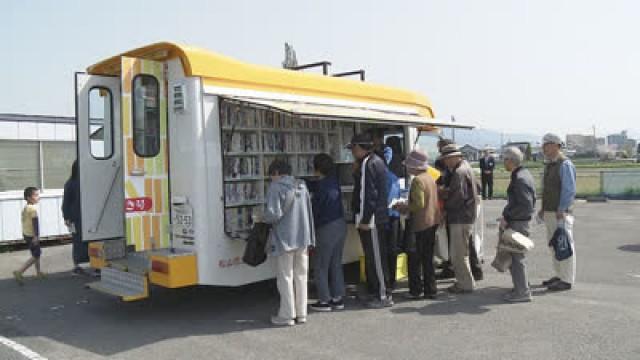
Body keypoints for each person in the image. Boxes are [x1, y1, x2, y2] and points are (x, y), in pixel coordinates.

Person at [264, 159, 316, 326]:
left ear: (277, 173)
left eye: (271, 175)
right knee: (301, 276)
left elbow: (273, 215)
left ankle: (287, 315)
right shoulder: (302, 186)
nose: (271, 179)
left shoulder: (276, 187)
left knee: (285, 277)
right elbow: (309, 212)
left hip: (284, 239)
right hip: (303, 237)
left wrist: (260, 218)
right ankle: (302, 313)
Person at [349, 133, 393, 308]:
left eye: (353, 148)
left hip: (373, 219)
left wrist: (365, 219)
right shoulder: (374, 162)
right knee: (373, 257)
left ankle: (383, 295)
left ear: (361, 148)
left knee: (376, 258)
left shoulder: (370, 163)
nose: (352, 152)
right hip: (374, 217)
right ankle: (376, 291)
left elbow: (369, 194)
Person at [394, 150, 441, 299]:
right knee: (428, 258)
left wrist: (403, 207)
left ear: (414, 166)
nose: (407, 168)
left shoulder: (417, 180)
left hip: (419, 223)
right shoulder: (429, 177)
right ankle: (430, 289)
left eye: (408, 165)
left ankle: (415, 290)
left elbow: (419, 204)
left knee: (414, 258)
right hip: (432, 221)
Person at [306, 154, 347, 312]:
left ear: (316, 168)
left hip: (326, 228)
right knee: (336, 263)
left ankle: (324, 300)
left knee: (321, 265)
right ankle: (337, 298)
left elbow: (316, 210)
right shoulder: (332, 182)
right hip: (340, 224)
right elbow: (316, 186)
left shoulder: (322, 187)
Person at [538, 133, 577, 291]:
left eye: (546, 144)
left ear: (556, 145)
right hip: (550, 212)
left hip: (560, 213)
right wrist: (543, 208)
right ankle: (559, 275)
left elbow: (569, 190)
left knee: (564, 244)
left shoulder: (564, 164)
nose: (543, 148)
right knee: (554, 245)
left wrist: (562, 208)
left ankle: (567, 279)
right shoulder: (550, 164)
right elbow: (548, 190)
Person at [439, 144, 478, 294]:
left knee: (458, 254)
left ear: (456, 157)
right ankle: (464, 281)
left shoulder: (459, 172)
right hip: (465, 215)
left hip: (460, 217)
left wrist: (445, 197)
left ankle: (465, 284)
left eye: (448, 158)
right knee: (462, 252)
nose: (446, 162)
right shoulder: (465, 167)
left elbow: (458, 197)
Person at [499, 147, 536, 302]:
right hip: (521, 222)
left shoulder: (519, 178)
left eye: (504, 159)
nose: (503, 162)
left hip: (518, 223)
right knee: (517, 256)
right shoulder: (523, 174)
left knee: (516, 257)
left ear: (510, 160)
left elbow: (525, 205)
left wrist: (507, 216)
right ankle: (521, 287)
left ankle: (522, 292)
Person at [13, 187, 46, 285]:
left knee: (35, 254)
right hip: (32, 236)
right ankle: (19, 272)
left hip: (27, 234)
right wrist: (36, 236)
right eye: (35, 195)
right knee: (36, 255)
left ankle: (38, 272)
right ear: (28, 198)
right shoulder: (32, 209)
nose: (38, 197)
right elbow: (35, 223)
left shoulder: (26, 208)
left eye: (38, 195)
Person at [62, 160, 89, 275]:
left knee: (77, 241)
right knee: (85, 240)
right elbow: (66, 202)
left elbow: (65, 203)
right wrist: (67, 217)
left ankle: (77, 265)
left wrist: (66, 217)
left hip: (74, 217)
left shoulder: (70, 182)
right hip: (79, 217)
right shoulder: (78, 182)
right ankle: (82, 265)